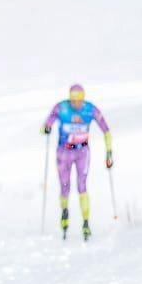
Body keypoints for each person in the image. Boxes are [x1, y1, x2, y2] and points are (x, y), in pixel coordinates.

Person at [42, 84, 113, 241]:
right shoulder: (61, 108)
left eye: (79, 101)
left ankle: (86, 222)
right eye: (73, 101)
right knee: (65, 186)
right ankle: (65, 213)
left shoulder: (90, 110)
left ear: (83, 98)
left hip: (82, 152)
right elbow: (47, 123)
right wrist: (46, 127)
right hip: (64, 152)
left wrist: (109, 152)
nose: (76, 104)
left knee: (82, 186)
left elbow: (106, 130)